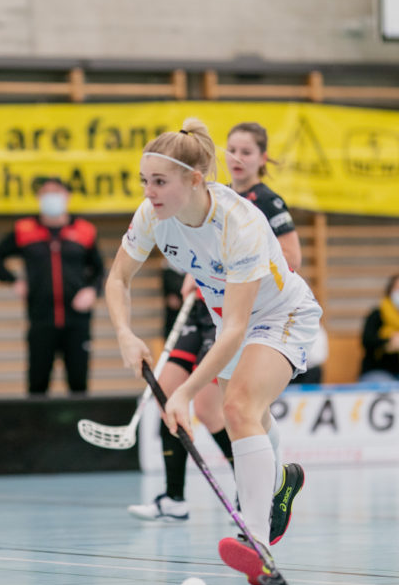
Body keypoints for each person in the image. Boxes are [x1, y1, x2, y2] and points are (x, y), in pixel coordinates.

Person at [106, 118, 320, 585]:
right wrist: (124, 332)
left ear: (194, 180)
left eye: (159, 182)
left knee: (238, 407)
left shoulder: (240, 223)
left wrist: (183, 393)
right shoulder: (152, 216)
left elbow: (238, 328)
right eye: (144, 181)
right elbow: (118, 278)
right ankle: (282, 481)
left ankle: (256, 540)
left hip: (280, 314)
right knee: (251, 415)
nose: (149, 192)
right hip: (230, 319)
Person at [128, 121, 301, 523]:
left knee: (218, 408)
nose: (237, 158)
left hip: (248, 310)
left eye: (246, 152)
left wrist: (229, 273)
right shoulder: (206, 196)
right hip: (206, 308)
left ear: (262, 158)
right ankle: (175, 497)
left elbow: (290, 259)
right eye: (232, 150)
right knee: (168, 392)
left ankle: (255, 493)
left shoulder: (262, 204)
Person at [0, 177, 105, 394]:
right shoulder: (24, 229)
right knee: (38, 384)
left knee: (78, 383)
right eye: (46, 192)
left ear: (67, 196)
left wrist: (92, 291)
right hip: (41, 319)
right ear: (39, 198)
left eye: (56, 192)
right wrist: (13, 280)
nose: (51, 197)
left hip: (77, 321)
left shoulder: (84, 230)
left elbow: (99, 270)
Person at [359, 274, 399, 382]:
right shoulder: (378, 314)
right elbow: (367, 341)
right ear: (390, 291)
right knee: (391, 386)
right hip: (377, 370)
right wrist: (392, 339)